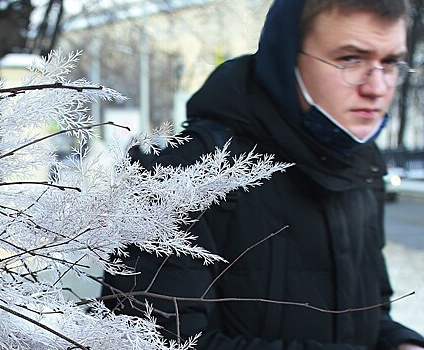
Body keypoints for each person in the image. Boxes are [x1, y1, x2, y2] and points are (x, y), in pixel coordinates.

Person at [101, 0, 424, 349]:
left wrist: (399, 342)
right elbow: (150, 341)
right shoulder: (183, 174)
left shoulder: (361, 164)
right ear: (286, 57)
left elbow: (367, 311)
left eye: (390, 63)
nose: (376, 87)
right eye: (350, 59)